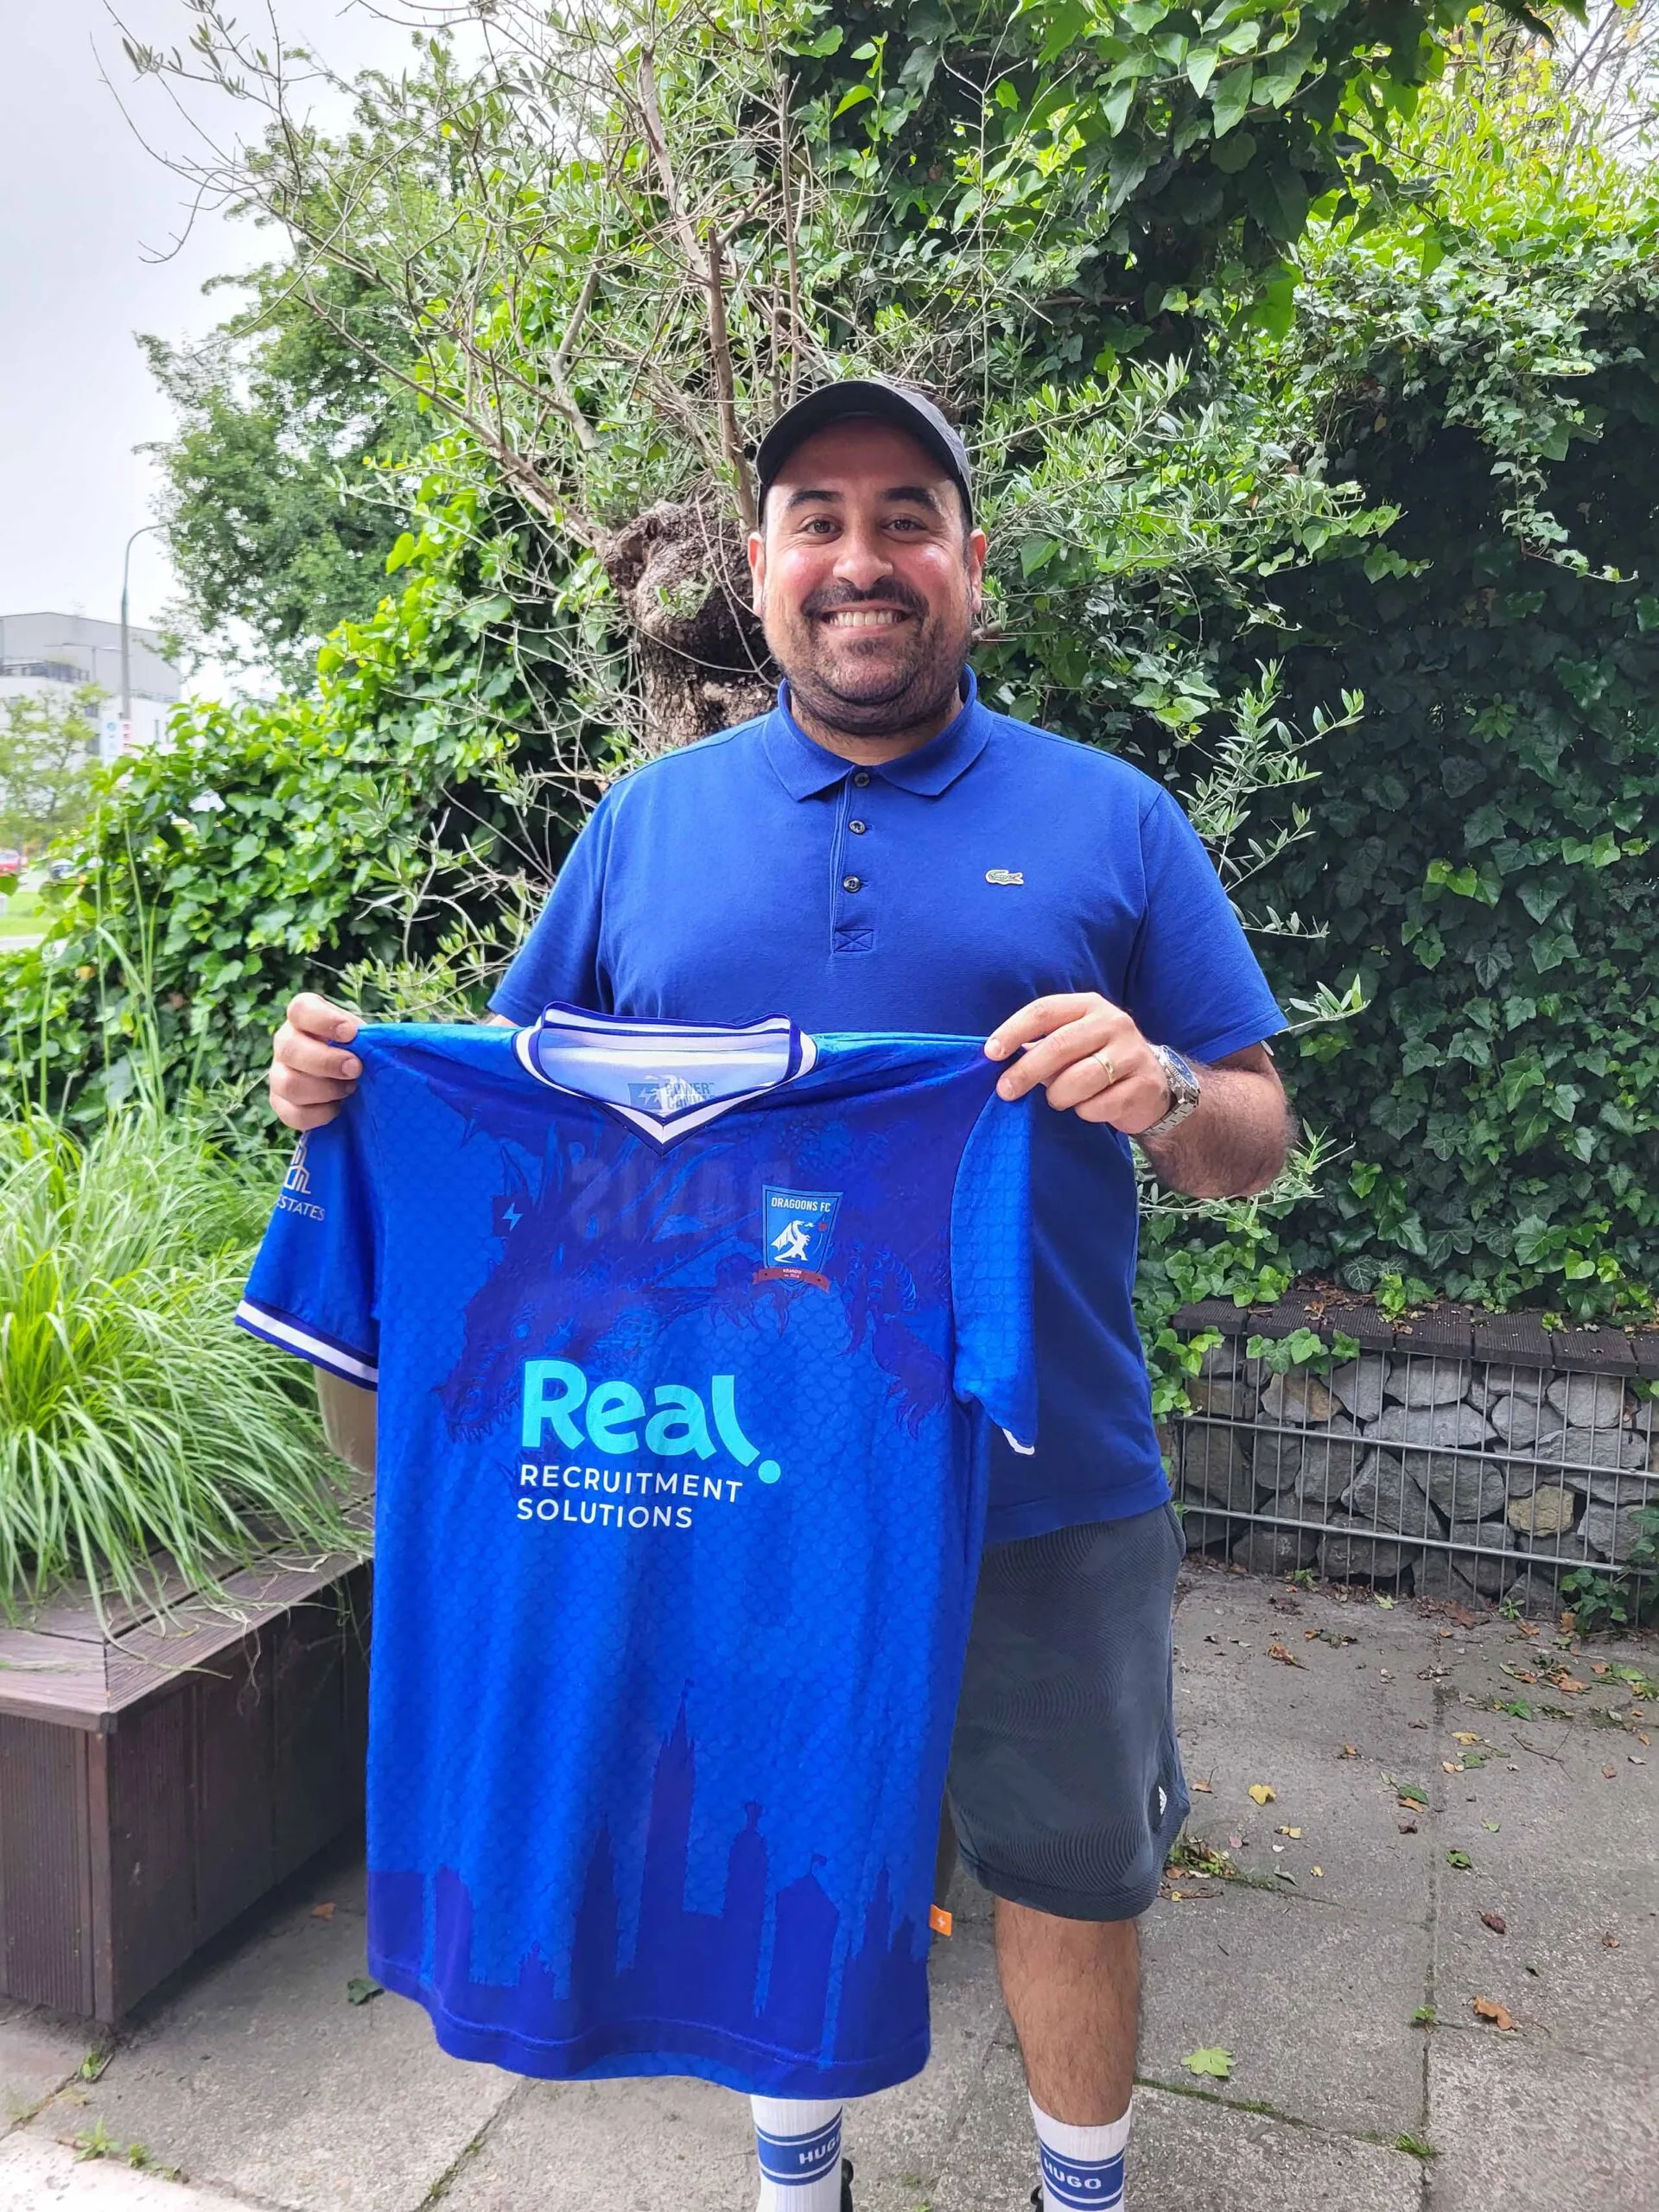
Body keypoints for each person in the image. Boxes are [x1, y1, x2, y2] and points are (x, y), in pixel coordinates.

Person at [268, 379, 1291, 2212]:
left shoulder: (1113, 820)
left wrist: (1171, 1090)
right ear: (758, 570)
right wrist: (349, 1099)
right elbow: (508, 1126)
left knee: (1069, 1864)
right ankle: (791, 2172)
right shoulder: (646, 829)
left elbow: (1256, 1132)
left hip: (1047, 1472)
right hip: (742, 1473)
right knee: (764, 1811)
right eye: (817, 518)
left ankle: (1084, 2193)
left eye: (907, 517)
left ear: (972, 562)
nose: (862, 558)